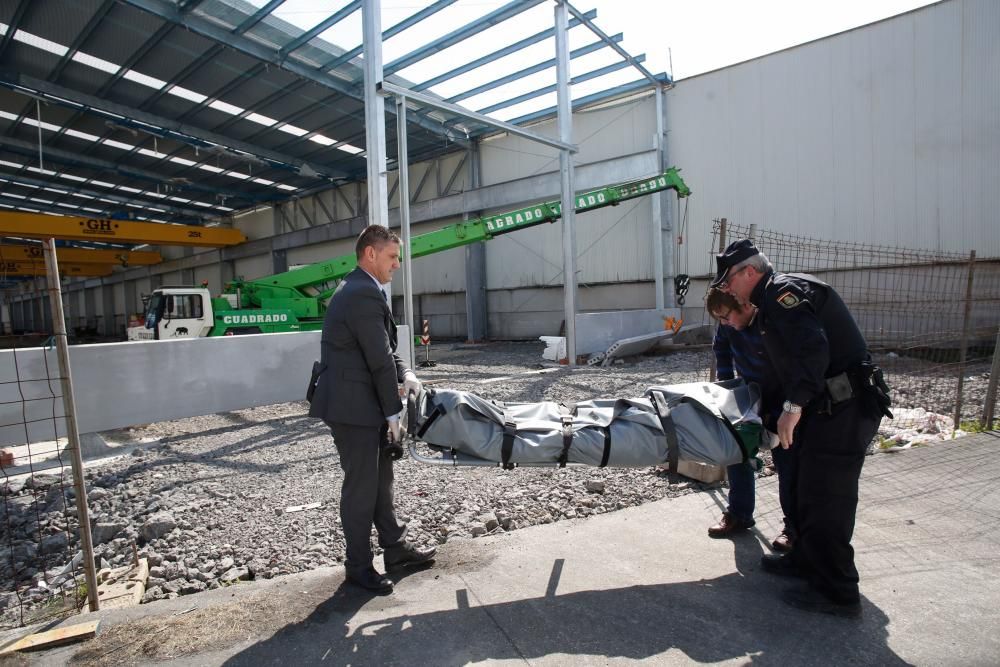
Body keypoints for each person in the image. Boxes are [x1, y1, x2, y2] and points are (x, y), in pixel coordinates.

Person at [711, 239, 889, 619]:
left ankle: (838, 591)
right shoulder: (769, 301)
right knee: (806, 490)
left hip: (845, 408)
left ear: (749, 272)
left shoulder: (781, 293)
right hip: (826, 410)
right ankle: (806, 562)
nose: (726, 289)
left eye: (728, 280)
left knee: (829, 499)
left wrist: (792, 408)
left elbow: (812, 351)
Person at [308, 225, 436, 594]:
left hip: (358, 405)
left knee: (381, 482)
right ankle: (358, 568)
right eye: (393, 257)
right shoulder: (362, 293)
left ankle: (395, 550)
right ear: (371, 254)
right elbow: (378, 361)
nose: (397, 264)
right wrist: (394, 414)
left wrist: (407, 372)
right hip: (353, 409)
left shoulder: (360, 289)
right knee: (362, 489)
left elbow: (382, 351)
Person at [705, 288, 794, 553]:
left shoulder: (771, 321)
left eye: (726, 316)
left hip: (780, 395)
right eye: (718, 319)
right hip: (747, 392)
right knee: (738, 449)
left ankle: (793, 527)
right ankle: (740, 513)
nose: (724, 323)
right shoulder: (729, 324)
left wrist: (790, 407)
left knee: (786, 457)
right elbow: (721, 346)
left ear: (744, 305)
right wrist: (726, 385)